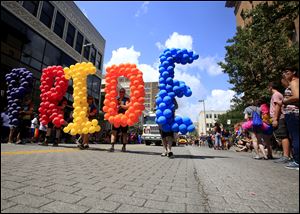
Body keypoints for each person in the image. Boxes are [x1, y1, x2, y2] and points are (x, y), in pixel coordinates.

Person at [268, 81, 291, 164]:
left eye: (268, 87)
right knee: (283, 136)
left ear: (271, 87)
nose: (268, 89)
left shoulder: (276, 95)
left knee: (283, 136)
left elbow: (278, 106)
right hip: (280, 117)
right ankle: (288, 155)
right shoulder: (279, 94)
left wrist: (275, 119)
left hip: (279, 117)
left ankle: (286, 156)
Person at [282, 67, 299, 170]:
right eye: (284, 72)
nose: (285, 73)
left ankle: (297, 161)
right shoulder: (293, 82)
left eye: (287, 71)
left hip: (293, 113)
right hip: (294, 113)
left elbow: (297, 96)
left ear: (294, 72)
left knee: (296, 136)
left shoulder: (294, 81)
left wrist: (285, 101)